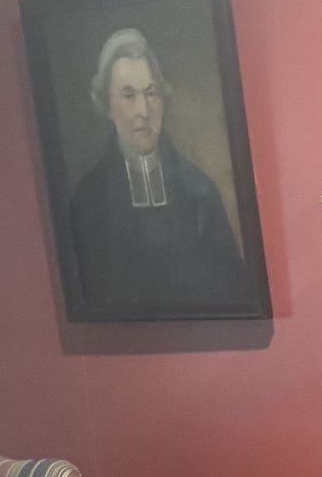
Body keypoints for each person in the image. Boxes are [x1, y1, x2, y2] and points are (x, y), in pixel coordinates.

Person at [68, 28, 255, 313]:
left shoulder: (200, 191)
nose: (144, 110)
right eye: (128, 95)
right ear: (107, 105)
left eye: (151, 93)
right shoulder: (89, 200)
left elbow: (235, 290)